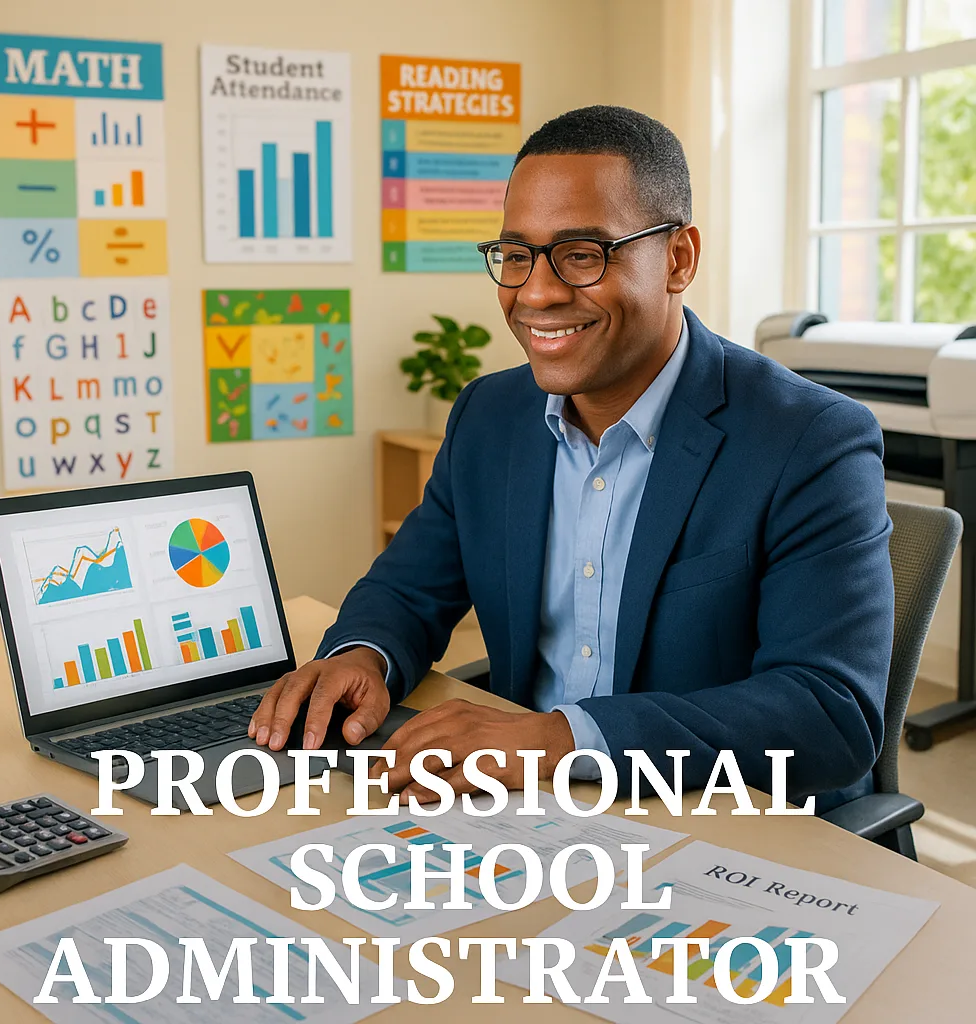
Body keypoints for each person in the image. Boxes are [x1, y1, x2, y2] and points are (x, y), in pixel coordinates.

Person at [249, 105, 893, 812]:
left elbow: (829, 712)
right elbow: (409, 589)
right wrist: (361, 656)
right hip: (525, 811)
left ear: (677, 259)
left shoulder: (809, 439)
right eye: (517, 255)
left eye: (583, 254)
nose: (537, 293)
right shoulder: (489, 416)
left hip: (719, 821)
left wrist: (559, 741)